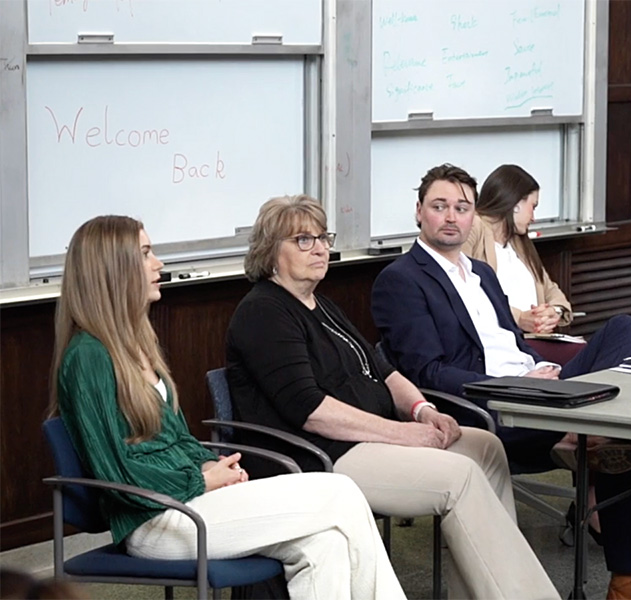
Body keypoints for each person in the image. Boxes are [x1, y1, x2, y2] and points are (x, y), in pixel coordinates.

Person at [49, 215, 406, 600]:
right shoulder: (87, 357)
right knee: (341, 494)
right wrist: (201, 481)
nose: (159, 264)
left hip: (191, 501)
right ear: (112, 269)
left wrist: (209, 465)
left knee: (326, 544)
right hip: (155, 520)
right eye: (146, 254)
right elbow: (116, 468)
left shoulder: (136, 344)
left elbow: (174, 440)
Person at [225, 195, 560, 600]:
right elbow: (311, 411)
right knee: (460, 476)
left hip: (371, 440)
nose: (319, 248)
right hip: (324, 456)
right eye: (302, 240)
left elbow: (383, 371)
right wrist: (403, 435)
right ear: (270, 251)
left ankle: (483, 592)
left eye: (322, 237)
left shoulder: (322, 305)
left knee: (485, 448)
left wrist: (422, 410)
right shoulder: (264, 312)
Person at [371, 164, 631, 600]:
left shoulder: (482, 274)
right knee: (616, 436)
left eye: (461, 207)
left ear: (475, 216)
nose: (451, 217)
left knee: (625, 328)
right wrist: (518, 383)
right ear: (419, 213)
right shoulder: (401, 280)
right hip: (494, 407)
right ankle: (626, 580)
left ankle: (591, 423)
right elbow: (427, 374)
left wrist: (537, 369)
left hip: (543, 387)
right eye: (439, 207)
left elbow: (512, 343)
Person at [463, 163, 631, 514]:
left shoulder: (522, 245)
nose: (535, 216)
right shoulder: (476, 229)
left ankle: (615, 464)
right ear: (513, 202)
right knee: (603, 376)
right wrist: (522, 316)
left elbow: (556, 294)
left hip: (549, 341)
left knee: (626, 331)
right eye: (533, 205)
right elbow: (473, 293)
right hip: (521, 345)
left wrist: (554, 312)